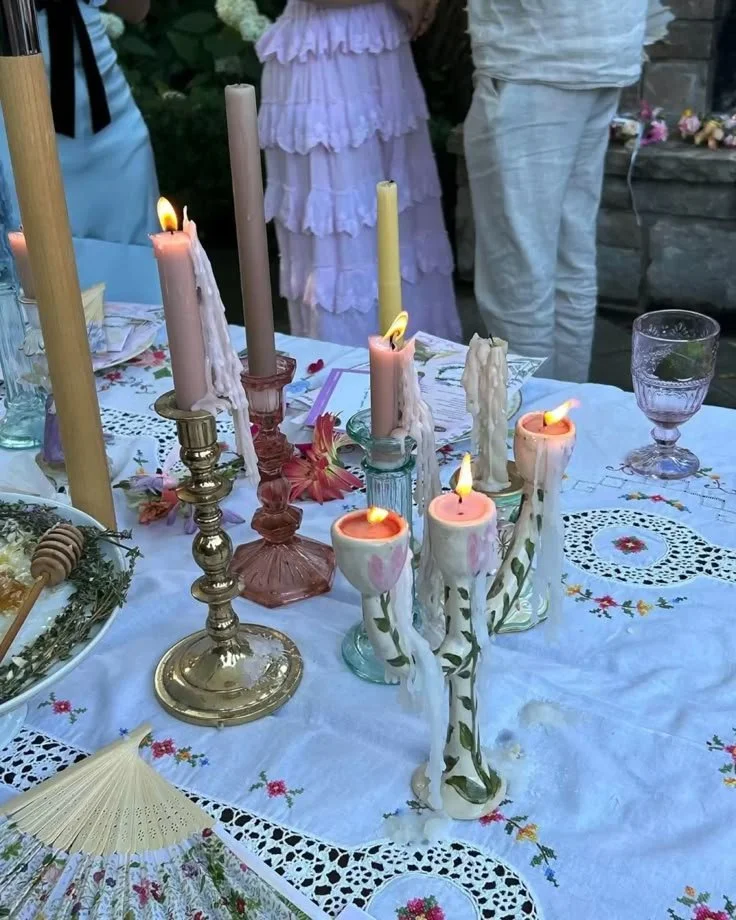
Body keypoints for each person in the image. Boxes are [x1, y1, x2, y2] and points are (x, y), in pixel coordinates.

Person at [463, 0, 672, 382]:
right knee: (567, 257)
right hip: (598, 42)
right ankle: (562, 419)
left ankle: (524, 426)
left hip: (536, 51)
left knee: (519, 271)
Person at [256, 0, 461, 346]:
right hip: (323, 58)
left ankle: (422, 388)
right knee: (346, 246)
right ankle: (353, 390)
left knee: (404, 240)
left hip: (384, 51)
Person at [0, 0, 161, 304]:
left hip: (112, 122)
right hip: (17, 121)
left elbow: (136, 10)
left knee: (139, 278)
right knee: (40, 282)